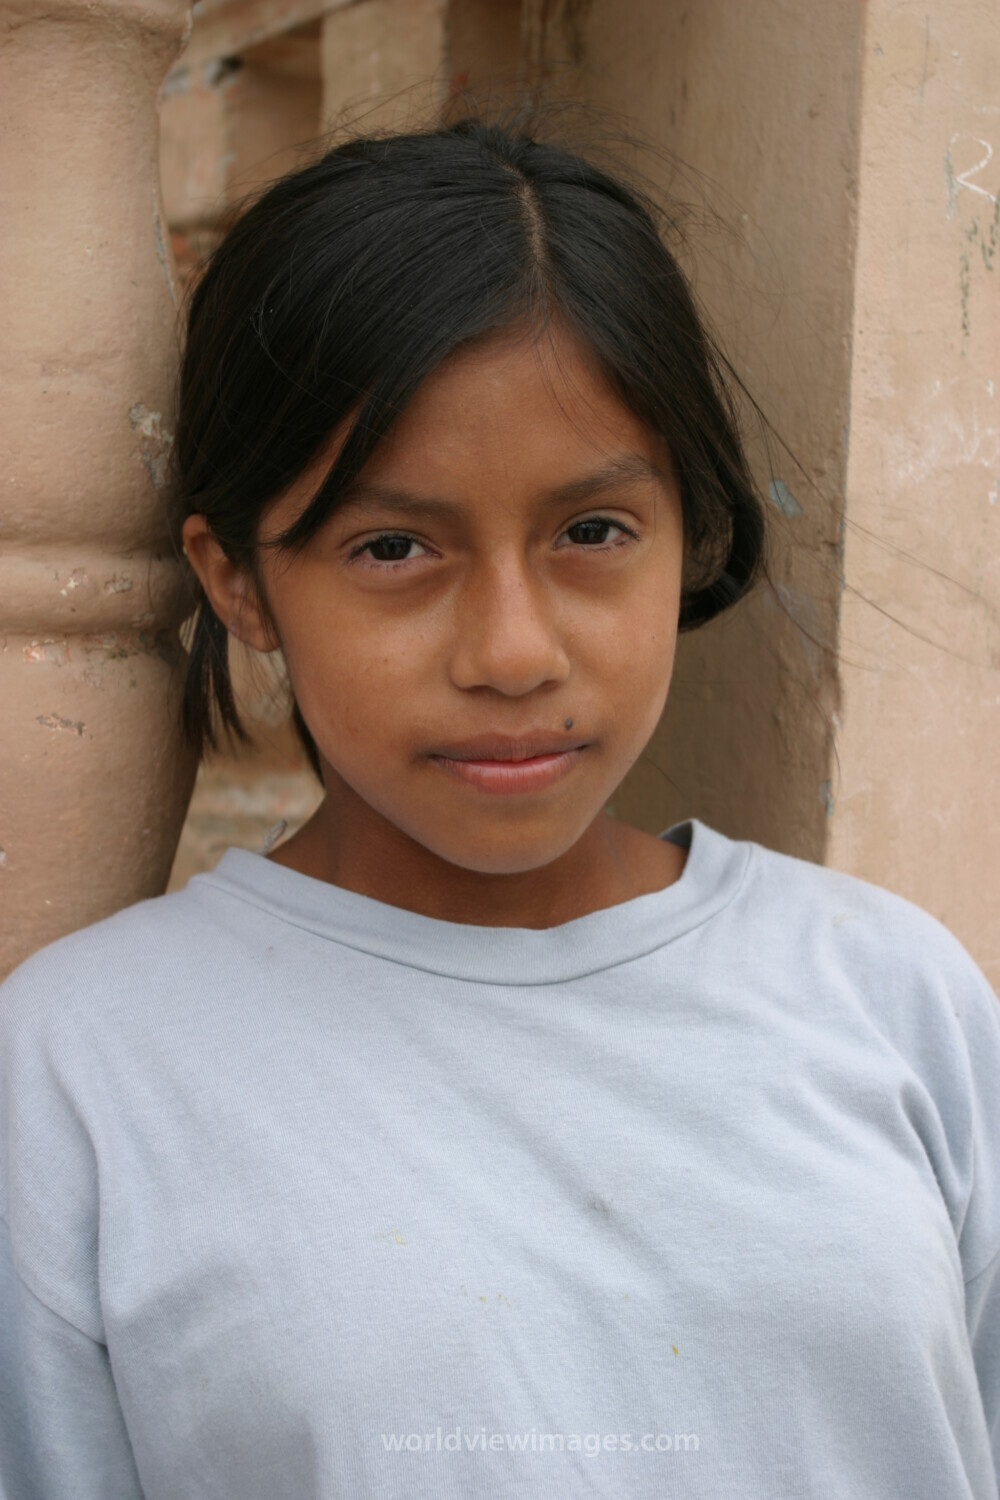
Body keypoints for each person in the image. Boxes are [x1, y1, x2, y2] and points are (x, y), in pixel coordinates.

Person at [1, 112, 998, 1500]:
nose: (515, 652)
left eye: (591, 533)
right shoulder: (82, 1078)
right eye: (394, 547)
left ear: (683, 531)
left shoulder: (895, 1001)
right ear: (237, 580)